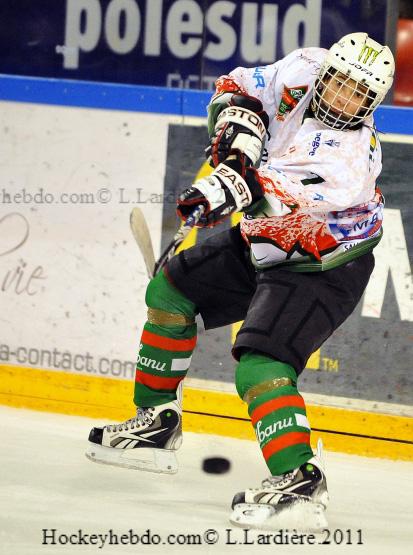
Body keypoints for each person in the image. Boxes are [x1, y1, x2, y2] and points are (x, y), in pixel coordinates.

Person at [86, 32, 395, 527]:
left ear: (372, 104)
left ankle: (300, 478)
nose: (343, 98)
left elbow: (261, 191)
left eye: (359, 94)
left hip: (322, 262)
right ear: (327, 70)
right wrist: (237, 133)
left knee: (260, 365)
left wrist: (221, 186)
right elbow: (241, 87)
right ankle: (157, 422)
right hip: (262, 242)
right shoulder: (305, 65)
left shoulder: (349, 159)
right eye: (340, 82)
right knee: (169, 292)